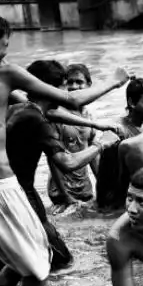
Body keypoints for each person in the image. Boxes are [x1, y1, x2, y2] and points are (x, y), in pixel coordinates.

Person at [0, 8, 127, 286]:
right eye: (5, 43)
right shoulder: (4, 74)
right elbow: (71, 100)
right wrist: (114, 80)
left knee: (22, 260)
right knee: (40, 267)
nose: (7, 51)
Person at [6, 60, 124, 269]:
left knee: (27, 252)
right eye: (63, 85)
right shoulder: (36, 120)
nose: (67, 91)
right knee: (59, 257)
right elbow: (67, 163)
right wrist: (100, 144)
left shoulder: (23, 108)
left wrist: (95, 125)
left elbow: (53, 112)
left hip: (8, 191)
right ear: (48, 89)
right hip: (18, 193)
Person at [95, 77, 143, 211]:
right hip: (116, 200)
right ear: (132, 103)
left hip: (135, 195)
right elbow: (106, 174)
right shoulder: (117, 129)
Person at [47, 63, 100, 208]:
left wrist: (103, 187)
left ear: (89, 85)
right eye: (70, 82)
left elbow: (93, 154)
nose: (74, 87)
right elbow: (53, 160)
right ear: (63, 85)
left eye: (79, 82)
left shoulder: (88, 115)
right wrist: (66, 196)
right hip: (62, 191)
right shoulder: (56, 114)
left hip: (85, 189)